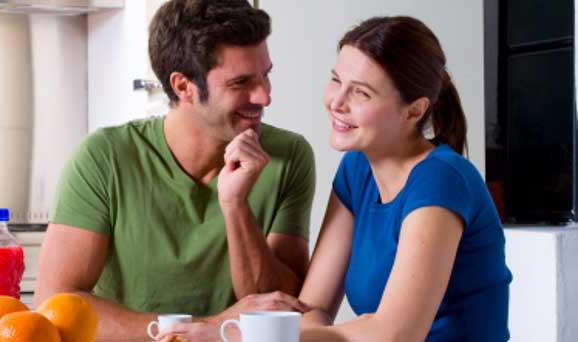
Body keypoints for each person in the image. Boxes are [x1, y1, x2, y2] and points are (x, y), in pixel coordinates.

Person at [35, 0, 314, 340]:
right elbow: (56, 306)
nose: (264, 96)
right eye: (241, 83)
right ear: (183, 86)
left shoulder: (289, 156)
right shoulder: (104, 157)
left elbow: (278, 308)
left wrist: (235, 205)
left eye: (266, 75)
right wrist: (206, 329)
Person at [297, 16, 512, 341]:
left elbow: (396, 335)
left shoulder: (441, 179)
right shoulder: (356, 169)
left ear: (413, 111)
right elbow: (311, 308)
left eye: (361, 93)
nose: (337, 103)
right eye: (336, 80)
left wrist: (278, 336)